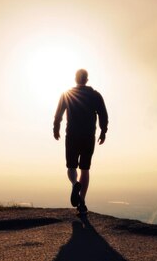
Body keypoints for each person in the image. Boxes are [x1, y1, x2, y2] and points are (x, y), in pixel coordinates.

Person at [53, 69, 108, 214]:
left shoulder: (67, 94)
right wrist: (103, 131)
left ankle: (74, 184)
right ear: (87, 79)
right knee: (85, 169)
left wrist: (56, 127)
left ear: (75, 79)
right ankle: (82, 202)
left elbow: (58, 113)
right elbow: (103, 113)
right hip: (88, 136)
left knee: (71, 167)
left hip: (72, 135)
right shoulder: (95, 95)